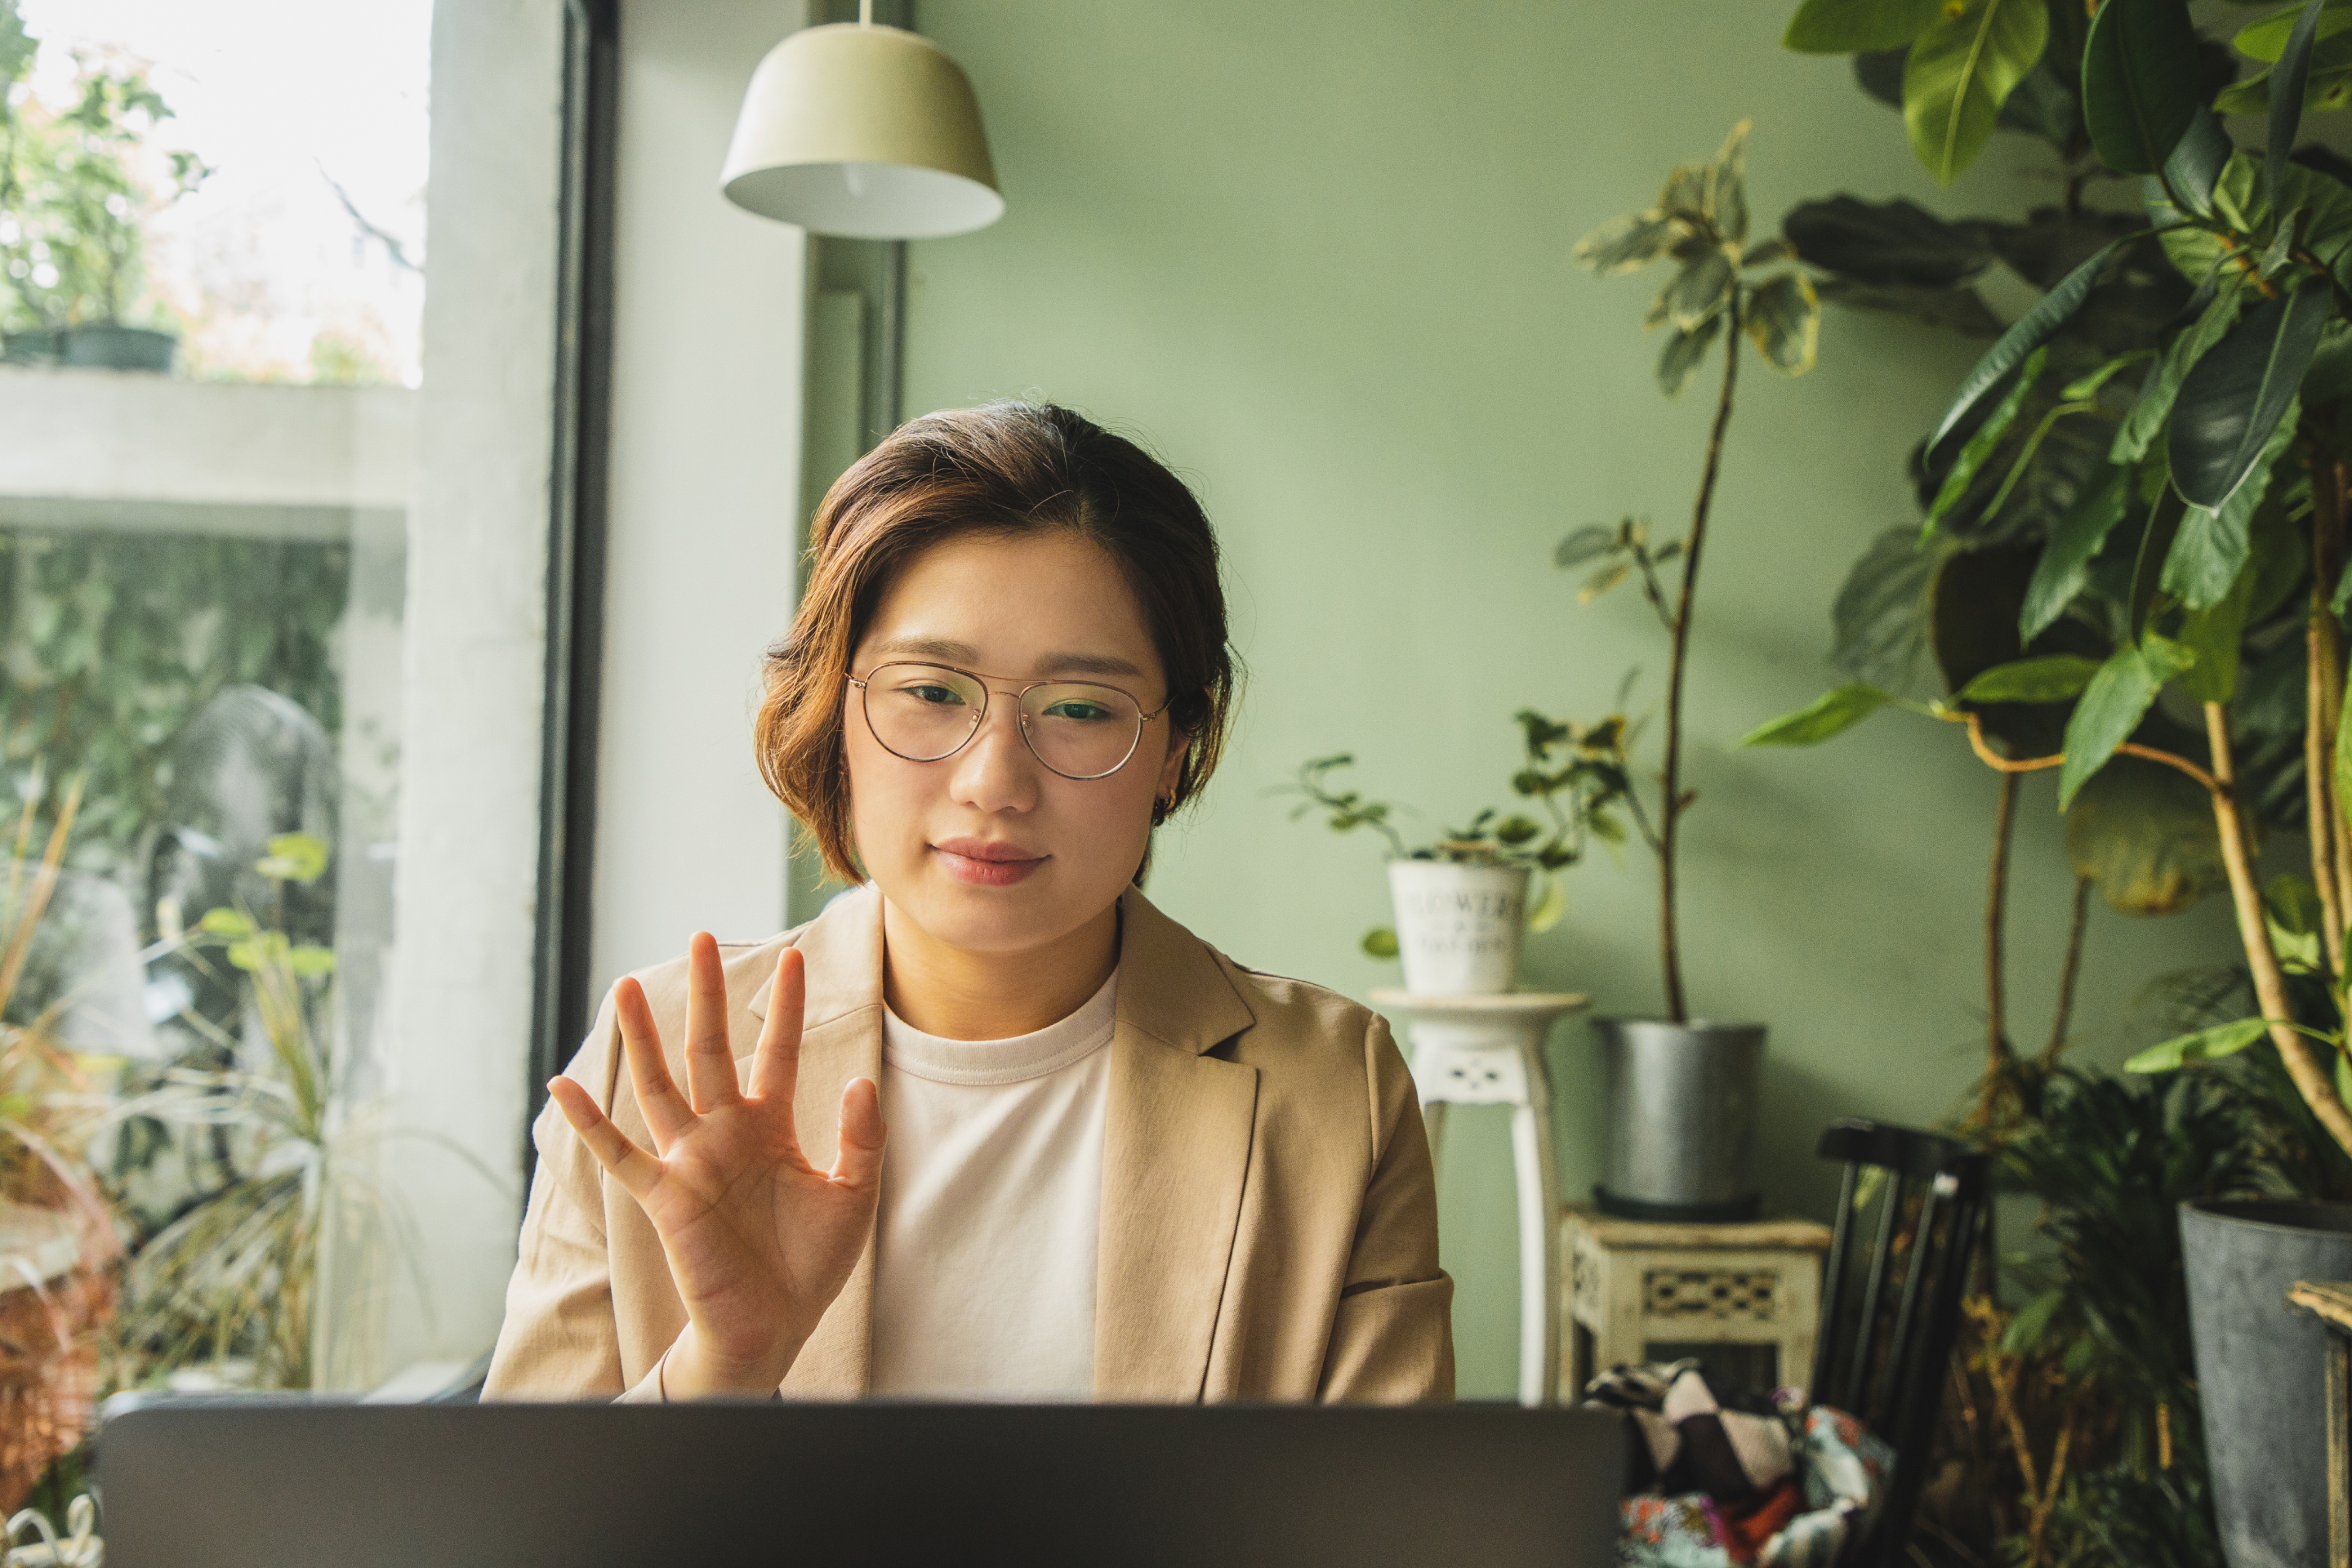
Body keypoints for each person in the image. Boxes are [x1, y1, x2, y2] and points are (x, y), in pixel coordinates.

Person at [483, 402, 1452, 1403]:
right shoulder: (662, 1057)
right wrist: (722, 1366)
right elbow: (519, 1538)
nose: (995, 782)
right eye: (932, 691)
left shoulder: (1332, 1088)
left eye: (1079, 711)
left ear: (1173, 752)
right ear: (835, 711)